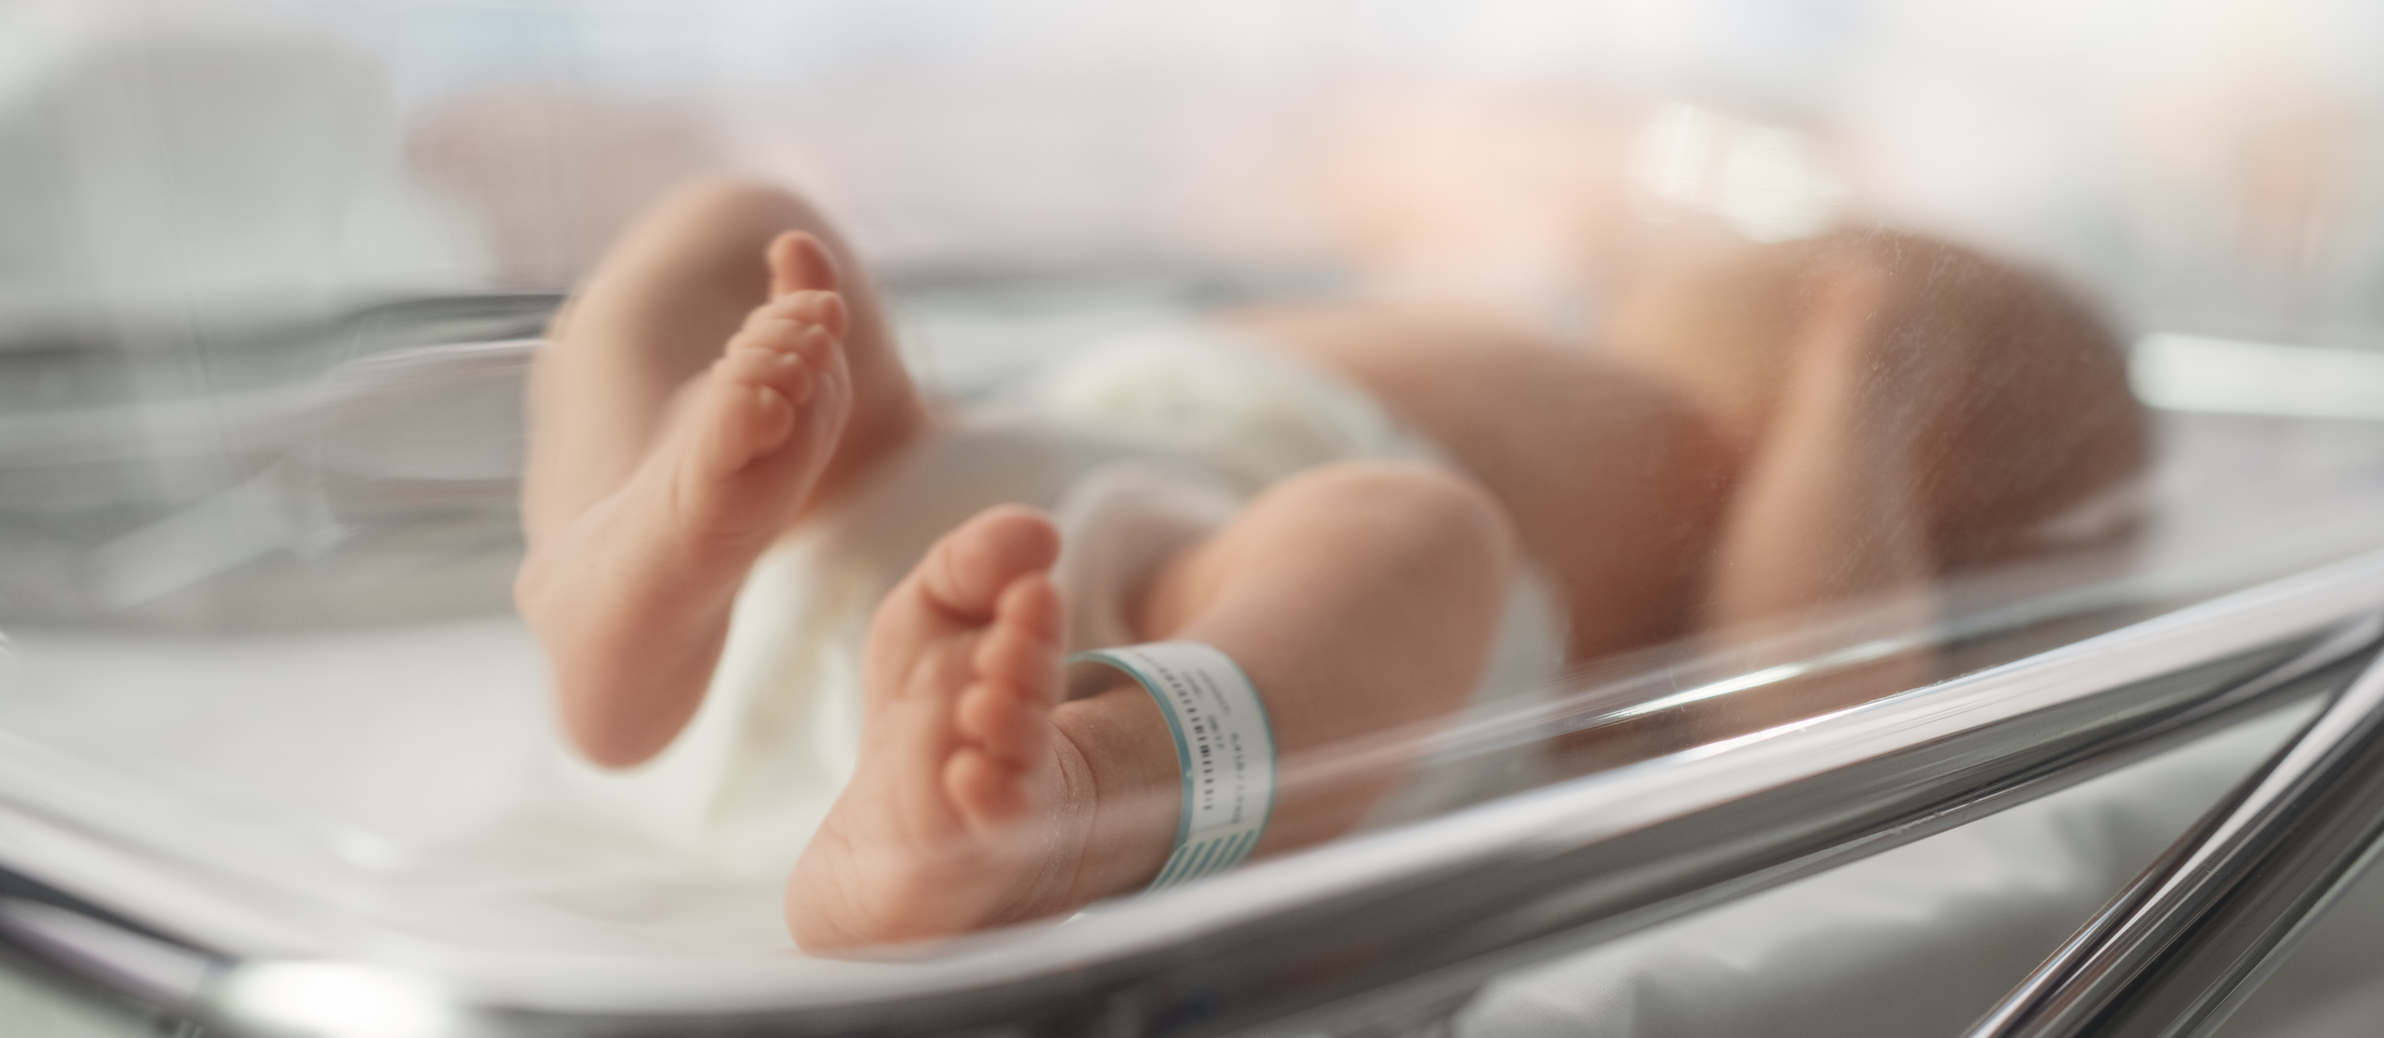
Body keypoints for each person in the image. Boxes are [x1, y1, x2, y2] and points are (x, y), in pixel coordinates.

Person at [512, 174, 2145, 952]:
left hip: (1152, 636)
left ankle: (1087, 788)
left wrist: (1860, 390)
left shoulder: (1747, 481)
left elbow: (1804, 701)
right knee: (740, 234)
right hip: (917, 503)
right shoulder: (1568, 350)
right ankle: (623, 575)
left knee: (1412, 533)